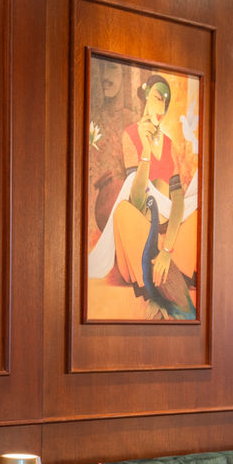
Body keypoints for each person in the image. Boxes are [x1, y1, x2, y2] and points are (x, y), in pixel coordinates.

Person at [86, 73, 198, 320]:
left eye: (165, 103)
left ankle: (167, 275)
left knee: (197, 217)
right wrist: (146, 151)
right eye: (157, 98)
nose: (161, 107)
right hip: (140, 234)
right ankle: (164, 292)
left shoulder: (169, 144)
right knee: (124, 212)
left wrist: (167, 250)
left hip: (167, 238)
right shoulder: (131, 136)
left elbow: (177, 200)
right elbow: (137, 199)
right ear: (146, 97)